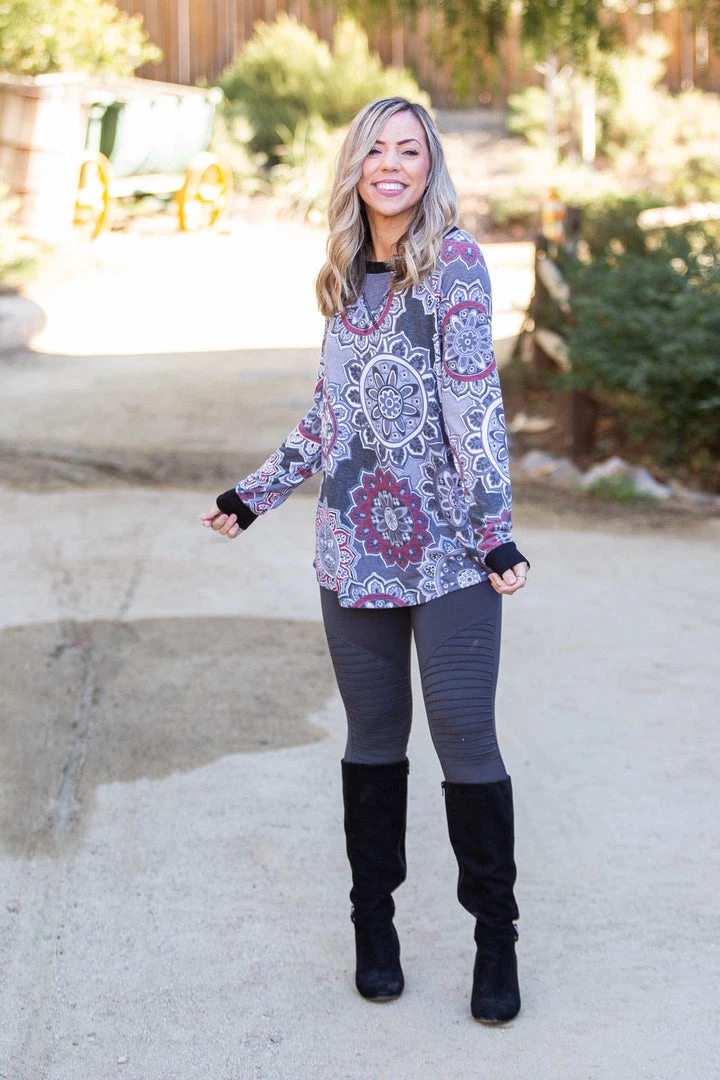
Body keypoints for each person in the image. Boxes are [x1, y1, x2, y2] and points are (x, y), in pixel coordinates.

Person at [200, 97, 529, 1025]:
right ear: (355, 166)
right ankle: (373, 930)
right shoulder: (346, 273)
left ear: (430, 168)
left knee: (466, 739)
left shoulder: (456, 263)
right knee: (374, 744)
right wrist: (254, 495)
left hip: (451, 551)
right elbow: (328, 415)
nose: (391, 163)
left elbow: (474, 401)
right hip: (353, 548)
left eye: (409, 150)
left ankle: (495, 942)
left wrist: (494, 528)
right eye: (375, 149)